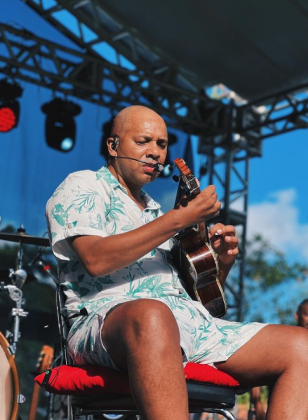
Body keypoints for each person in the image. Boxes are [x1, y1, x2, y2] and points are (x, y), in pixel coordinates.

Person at [46, 105, 308, 420]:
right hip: (105, 326)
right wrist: (177, 219)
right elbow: (96, 259)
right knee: (153, 315)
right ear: (113, 146)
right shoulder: (83, 185)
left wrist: (220, 263)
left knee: (302, 346)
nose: (155, 152)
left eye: (162, 144)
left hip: (187, 327)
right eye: (143, 141)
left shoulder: (155, 211)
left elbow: (199, 301)